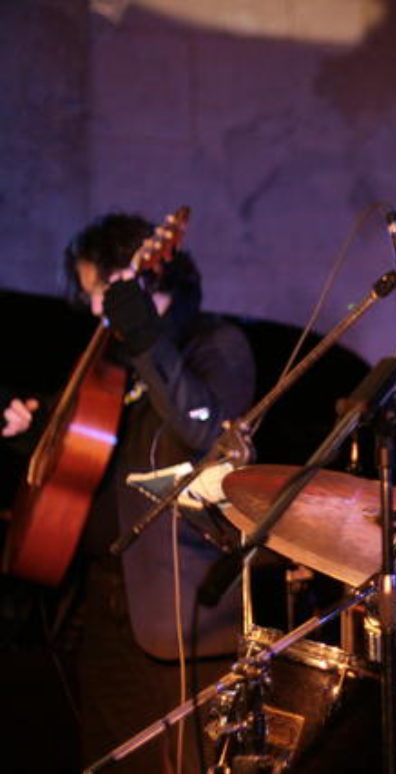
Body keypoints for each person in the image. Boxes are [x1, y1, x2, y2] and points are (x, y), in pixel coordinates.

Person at [8, 213, 256, 772]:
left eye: (102, 289)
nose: (96, 308)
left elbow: (205, 429)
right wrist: (33, 436)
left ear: (147, 270)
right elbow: (87, 467)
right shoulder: (112, 362)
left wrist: (146, 334)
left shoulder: (216, 343)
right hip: (101, 611)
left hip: (176, 612)